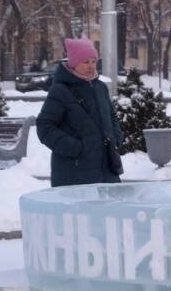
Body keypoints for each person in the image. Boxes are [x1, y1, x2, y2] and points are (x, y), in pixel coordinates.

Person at [37, 38, 123, 187]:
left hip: (106, 169)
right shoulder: (60, 90)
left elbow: (111, 115)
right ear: (74, 63)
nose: (91, 66)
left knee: (109, 208)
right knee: (81, 211)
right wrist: (75, 148)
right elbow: (44, 127)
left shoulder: (100, 87)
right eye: (85, 62)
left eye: (93, 61)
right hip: (74, 171)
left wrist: (115, 137)